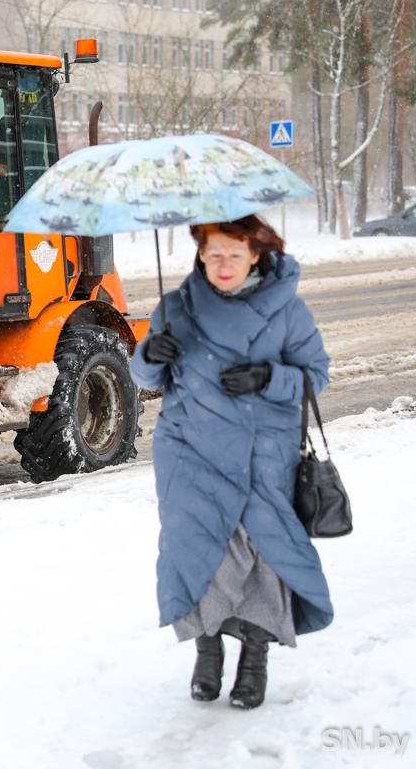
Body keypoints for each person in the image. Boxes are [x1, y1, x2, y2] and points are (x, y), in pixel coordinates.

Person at [130, 214, 334, 710]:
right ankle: (207, 649)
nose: (224, 265)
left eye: (235, 255)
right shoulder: (175, 307)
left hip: (261, 455)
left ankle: (255, 657)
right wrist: (149, 354)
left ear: (256, 255)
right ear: (200, 252)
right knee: (197, 550)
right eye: (215, 253)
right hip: (189, 453)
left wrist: (268, 376)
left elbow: (317, 377)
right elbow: (144, 378)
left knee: (261, 554)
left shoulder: (288, 310)